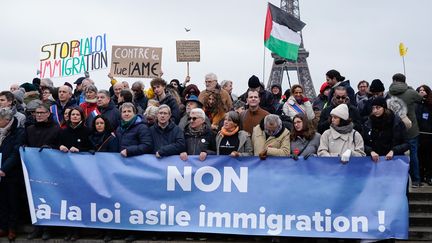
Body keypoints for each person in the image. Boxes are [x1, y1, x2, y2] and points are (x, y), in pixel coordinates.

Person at [388, 73, 423, 187]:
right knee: (413, 155)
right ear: (404, 81)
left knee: (396, 154)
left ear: (393, 80)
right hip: (411, 129)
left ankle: (397, 180)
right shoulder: (411, 92)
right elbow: (420, 98)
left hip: (395, 129)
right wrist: (411, 88)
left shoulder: (388, 93)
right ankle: (416, 181)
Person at [0, 108, 25, 241]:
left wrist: (4, 168)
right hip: (0, 172)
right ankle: (3, 226)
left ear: (7, 120)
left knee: (13, 201)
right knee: (2, 200)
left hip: (12, 173)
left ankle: (12, 228)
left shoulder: (19, 132)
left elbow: (16, 153)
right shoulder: (1, 131)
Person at [362, 97, 409, 162]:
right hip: (374, 160)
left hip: (394, 160)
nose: (375, 110)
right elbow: (362, 143)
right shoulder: (368, 123)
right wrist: (370, 151)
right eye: (373, 108)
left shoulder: (396, 122)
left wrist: (394, 151)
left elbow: (406, 143)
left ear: (384, 108)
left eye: (378, 107)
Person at [416, 85, 432, 185]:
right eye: (420, 90)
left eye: (423, 90)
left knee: (429, 157)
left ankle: (429, 176)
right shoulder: (416, 104)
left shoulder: (430, 104)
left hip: (429, 135)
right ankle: (420, 177)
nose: (422, 92)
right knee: (419, 157)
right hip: (418, 135)